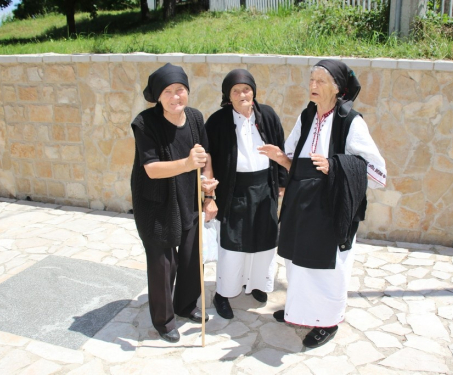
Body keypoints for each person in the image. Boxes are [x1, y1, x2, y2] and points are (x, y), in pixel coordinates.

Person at [258, 60, 386, 348]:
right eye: (311, 80)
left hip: (331, 210)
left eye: (320, 82)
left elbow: (378, 174)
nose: (313, 86)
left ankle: (327, 322)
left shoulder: (351, 123)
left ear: (338, 89)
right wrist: (280, 158)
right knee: (298, 265)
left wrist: (335, 166)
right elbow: (296, 164)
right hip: (302, 207)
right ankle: (300, 311)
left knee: (327, 271)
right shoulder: (307, 117)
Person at [130, 63, 218, 343]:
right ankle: (164, 320)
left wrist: (208, 189)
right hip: (155, 202)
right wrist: (186, 163)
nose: (175, 96)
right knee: (163, 263)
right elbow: (151, 168)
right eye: (168, 91)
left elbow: (205, 158)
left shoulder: (194, 118)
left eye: (180, 90)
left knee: (192, 258)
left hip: (188, 197)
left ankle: (185, 305)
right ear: (157, 96)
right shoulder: (145, 123)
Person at [204, 69, 287, 319]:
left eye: (246, 89)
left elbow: (280, 147)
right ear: (228, 97)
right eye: (236, 91)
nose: (243, 94)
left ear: (254, 91)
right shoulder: (218, 121)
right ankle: (223, 293)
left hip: (265, 188)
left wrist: (281, 182)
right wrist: (210, 195)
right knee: (233, 246)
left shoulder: (267, 115)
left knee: (263, 242)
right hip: (234, 189)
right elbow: (208, 156)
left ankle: (257, 285)